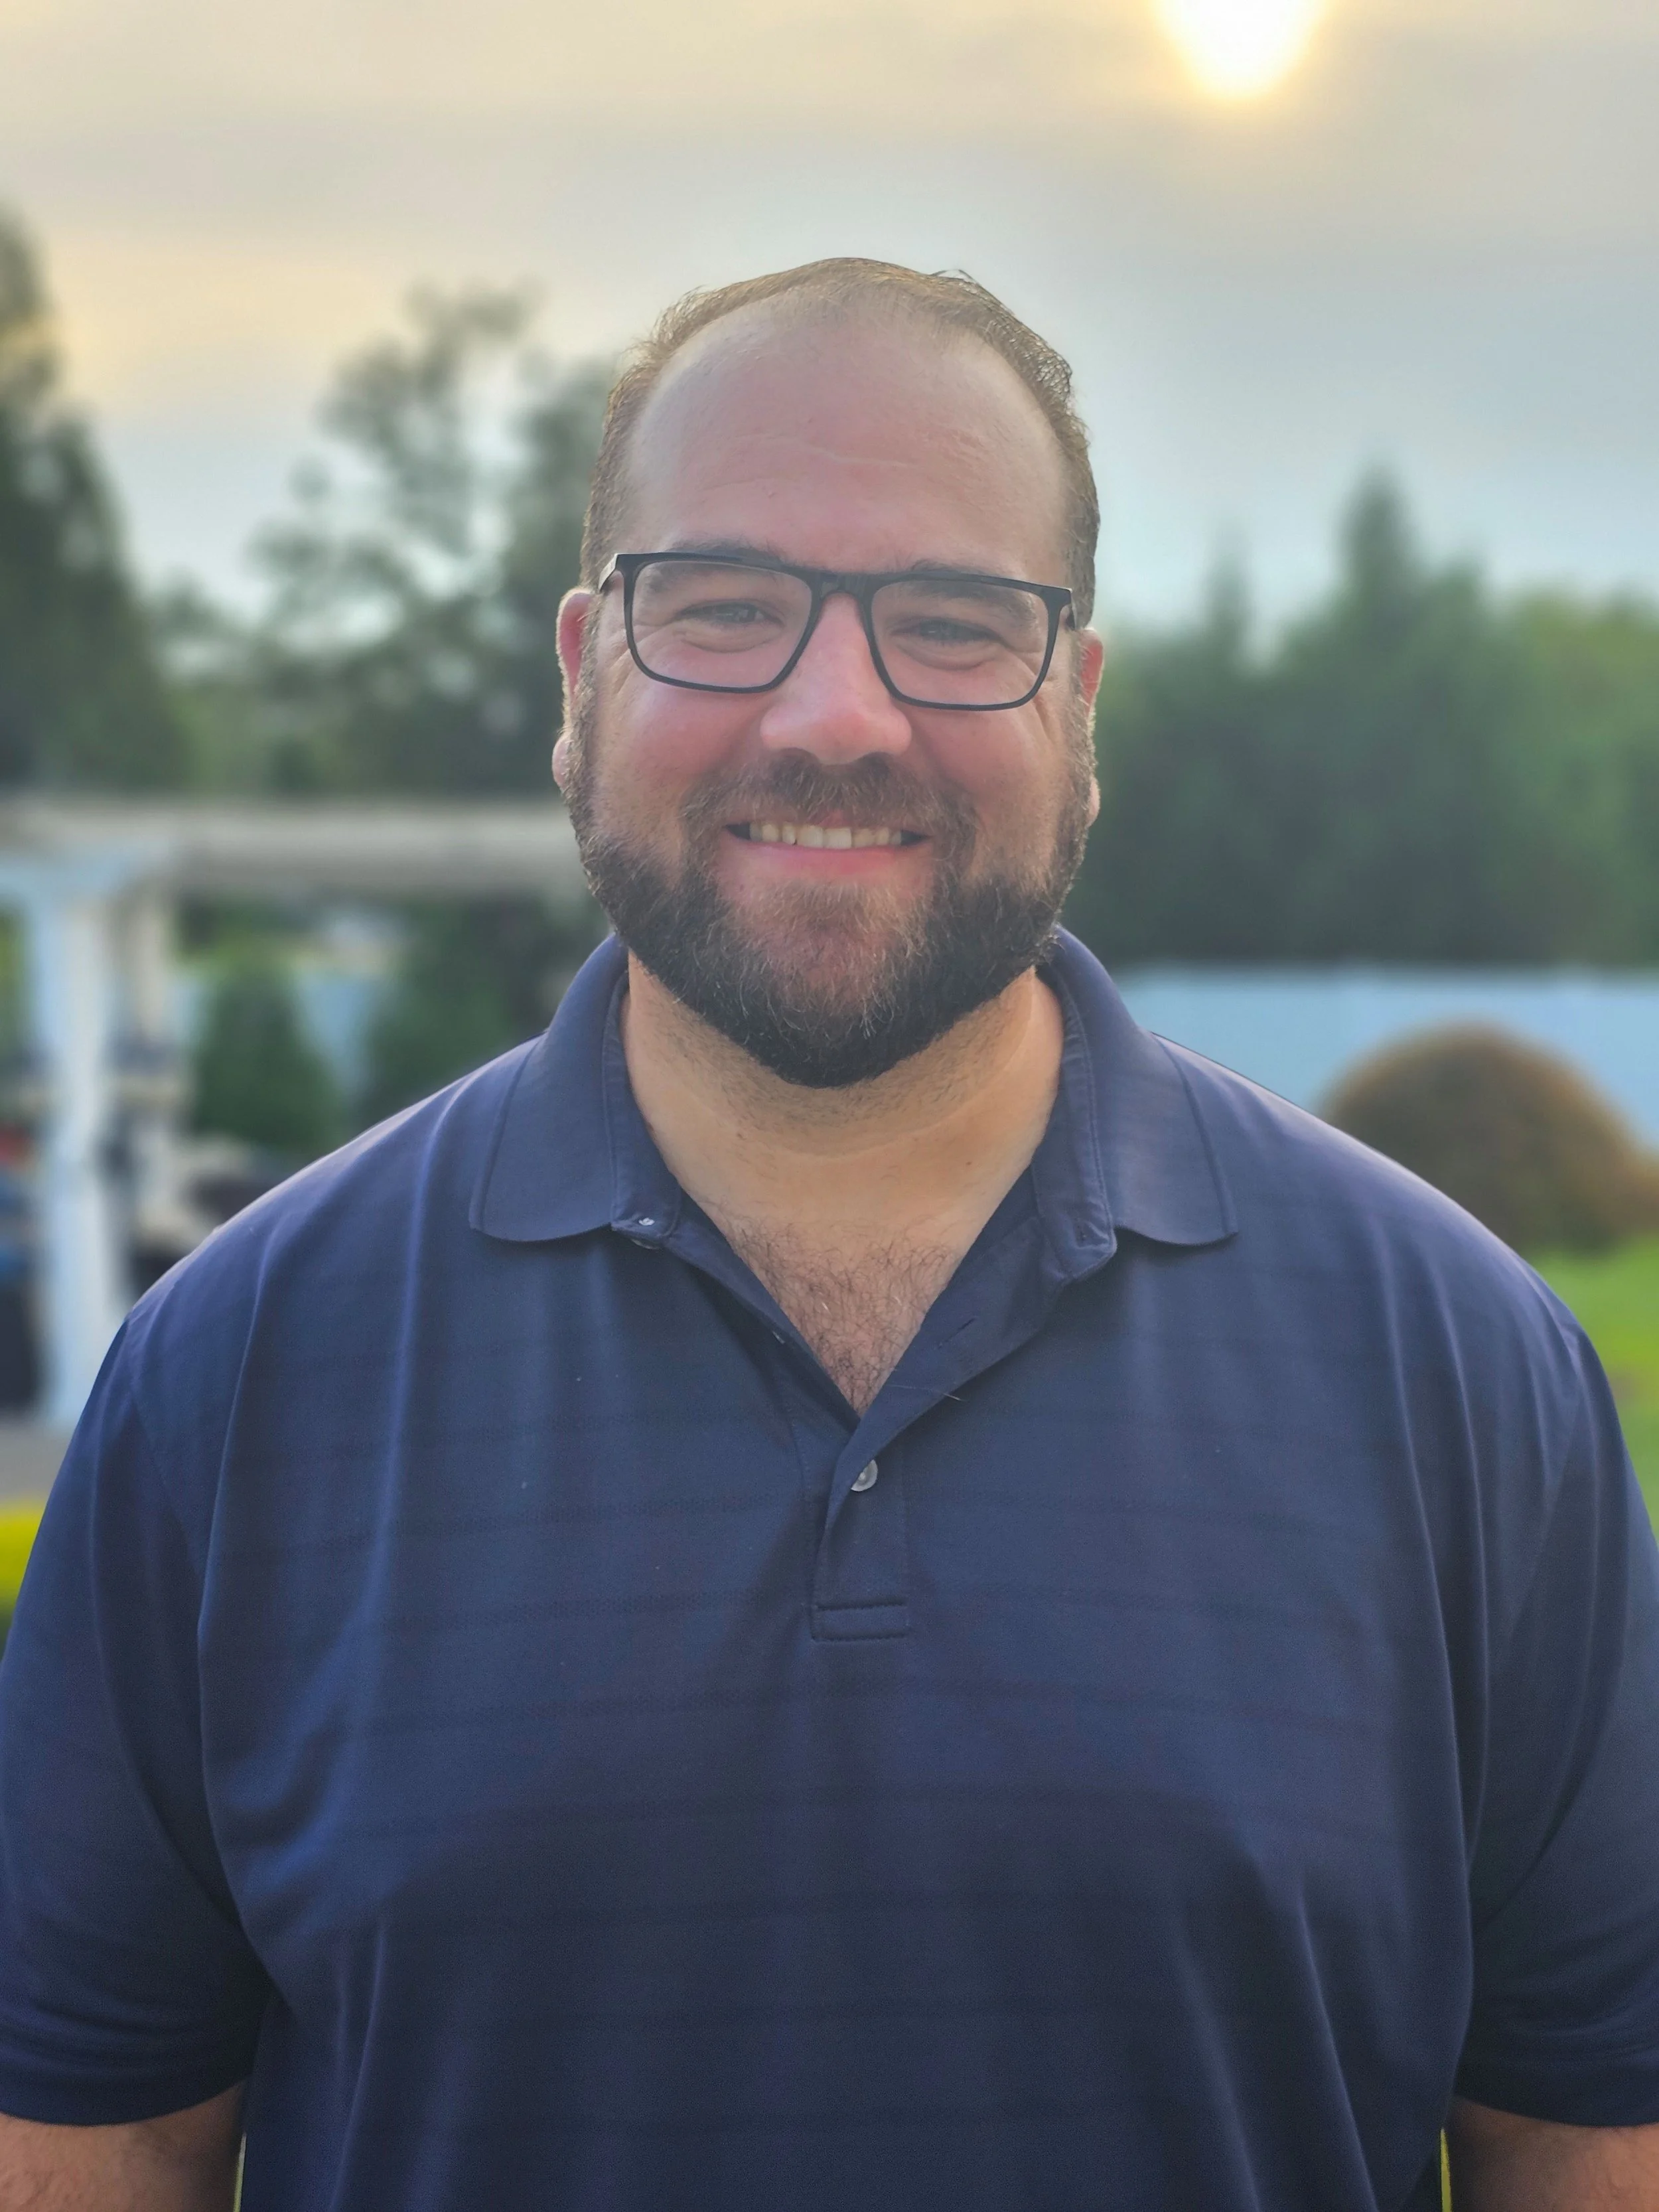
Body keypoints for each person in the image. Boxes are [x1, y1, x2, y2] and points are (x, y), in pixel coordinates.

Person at [0, 259, 1656, 2212]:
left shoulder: (1458, 1371)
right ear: (578, 676)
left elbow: (1585, 2138)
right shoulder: (231, 1378)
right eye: (722, 607)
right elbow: (96, 2147)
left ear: (1083, 707)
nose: (836, 712)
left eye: (955, 622)